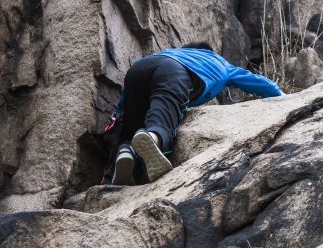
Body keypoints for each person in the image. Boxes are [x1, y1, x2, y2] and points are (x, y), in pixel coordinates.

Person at [109, 42, 283, 185]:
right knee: (164, 115)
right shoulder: (218, 61)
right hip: (172, 71)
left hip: (139, 68)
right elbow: (255, 82)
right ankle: (153, 138)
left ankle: (127, 151)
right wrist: (283, 96)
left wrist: (119, 113)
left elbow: (126, 103)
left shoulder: (172, 51)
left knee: (133, 126)